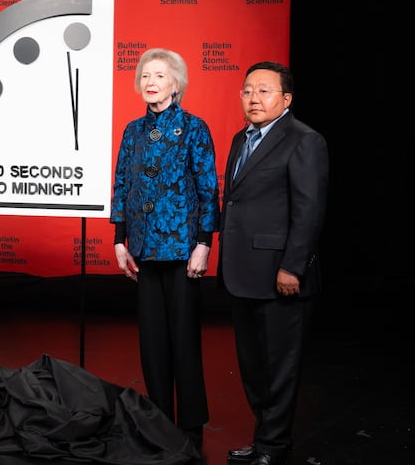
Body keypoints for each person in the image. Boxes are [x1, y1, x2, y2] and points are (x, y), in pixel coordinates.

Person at [110, 48, 219, 454]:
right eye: (145, 76)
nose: (150, 82)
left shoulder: (193, 128)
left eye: (159, 75)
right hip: (143, 250)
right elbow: (122, 184)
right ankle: (159, 423)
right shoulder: (133, 131)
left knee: (184, 343)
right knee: (152, 344)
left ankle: (191, 427)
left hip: (182, 251)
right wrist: (120, 239)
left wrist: (204, 244)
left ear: (176, 84)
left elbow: (208, 190)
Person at [219, 61, 328, 465]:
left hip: (281, 274)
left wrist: (293, 267)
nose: (254, 98)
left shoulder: (305, 140)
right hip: (243, 272)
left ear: (286, 99)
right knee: (254, 367)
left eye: (264, 91)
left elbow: (309, 210)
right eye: (248, 90)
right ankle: (263, 438)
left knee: (280, 368)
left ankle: (274, 447)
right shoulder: (240, 139)